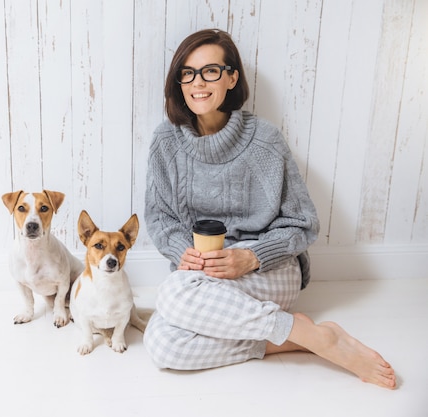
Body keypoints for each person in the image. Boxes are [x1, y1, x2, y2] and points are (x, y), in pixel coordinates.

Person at [142, 28, 396, 389]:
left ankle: (318, 339)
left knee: (171, 296)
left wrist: (251, 256)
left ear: (231, 77)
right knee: (163, 347)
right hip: (201, 277)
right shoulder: (164, 141)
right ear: (178, 82)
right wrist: (184, 254)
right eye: (188, 73)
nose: (198, 82)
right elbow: (160, 217)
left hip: (268, 269)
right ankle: (308, 337)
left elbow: (302, 223)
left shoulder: (264, 140)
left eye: (211, 71)